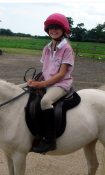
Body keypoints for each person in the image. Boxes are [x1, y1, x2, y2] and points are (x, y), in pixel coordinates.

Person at [27, 13, 75, 153]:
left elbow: (61, 74)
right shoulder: (47, 47)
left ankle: (50, 141)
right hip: (47, 82)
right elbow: (45, 70)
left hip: (61, 84)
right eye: (51, 28)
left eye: (57, 28)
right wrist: (35, 81)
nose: (53, 31)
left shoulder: (67, 49)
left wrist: (41, 85)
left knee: (45, 101)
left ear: (63, 30)